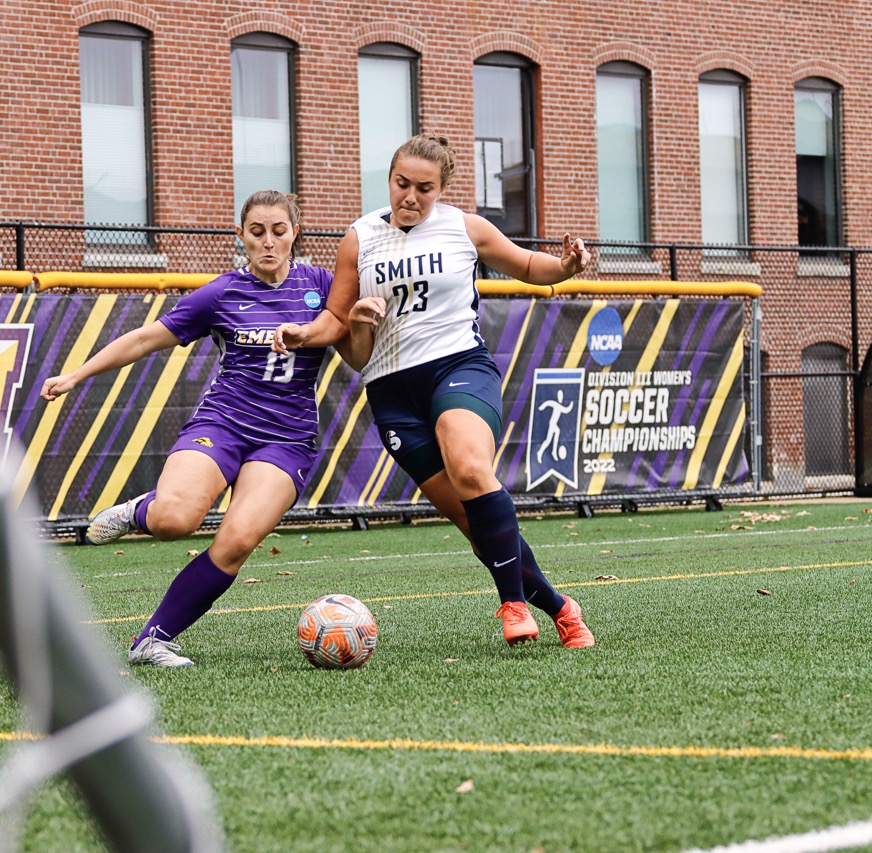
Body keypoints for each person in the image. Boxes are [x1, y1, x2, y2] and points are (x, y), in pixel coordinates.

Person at [273, 134, 595, 648]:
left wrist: (567, 267)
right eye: (402, 184)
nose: (410, 197)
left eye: (424, 188)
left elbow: (530, 267)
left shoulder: (464, 228)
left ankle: (512, 603)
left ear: (441, 189)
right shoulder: (359, 237)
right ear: (390, 179)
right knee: (475, 523)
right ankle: (560, 606)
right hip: (392, 392)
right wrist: (306, 332)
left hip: (458, 367)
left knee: (470, 467)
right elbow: (337, 320)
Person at [41, 190, 341, 667]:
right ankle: (143, 510)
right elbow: (144, 338)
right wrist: (76, 375)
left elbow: (350, 327)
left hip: (288, 438)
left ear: (295, 234)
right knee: (173, 521)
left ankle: (152, 640)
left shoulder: (323, 283)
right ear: (240, 236)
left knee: (237, 541)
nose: (268, 242)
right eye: (256, 232)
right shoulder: (221, 292)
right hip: (223, 423)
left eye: (278, 231)